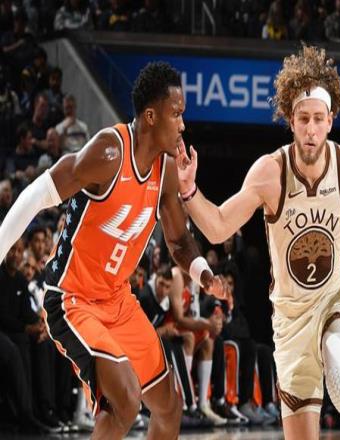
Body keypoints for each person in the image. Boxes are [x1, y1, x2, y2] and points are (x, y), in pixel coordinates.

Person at [176, 44, 340, 440]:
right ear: (290, 120)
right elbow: (219, 227)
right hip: (289, 320)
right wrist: (189, 191)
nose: (311, 129)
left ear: (331, 121)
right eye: (303, 119)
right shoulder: (270, 172)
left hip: (331, 304)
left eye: (318, 119)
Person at [0, 62, 228, 440]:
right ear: (151, 116)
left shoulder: (167, 169)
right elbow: (37, 194)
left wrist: (204, 274)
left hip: (117, 300)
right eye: (176, 114)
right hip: (72, 298)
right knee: (125, 399)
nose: (183, 125)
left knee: (169, 406)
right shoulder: (109, 151)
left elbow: (178, 241)